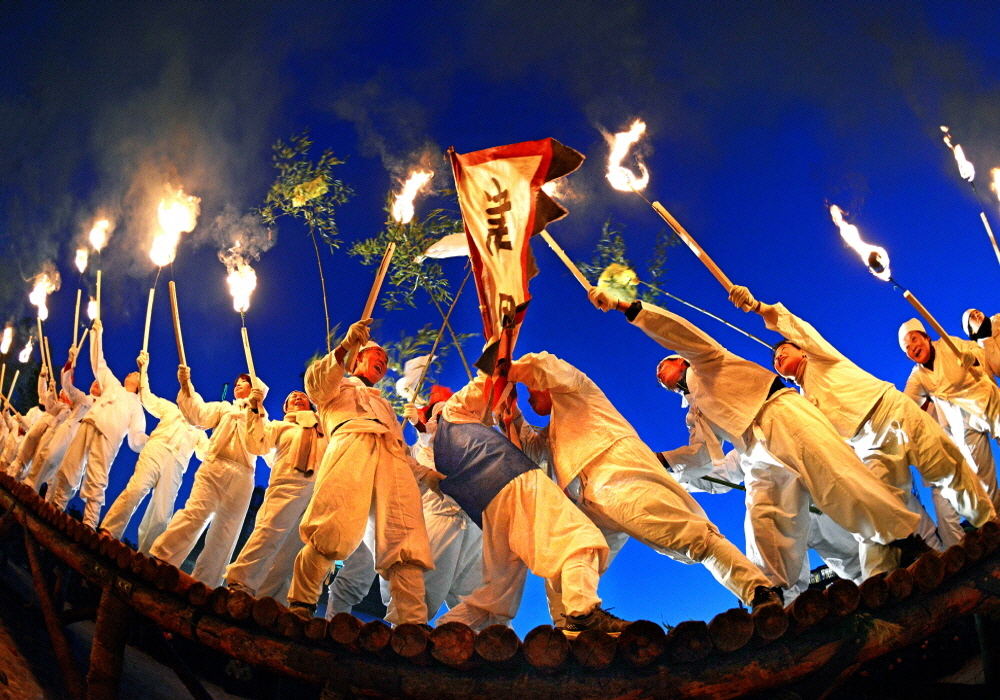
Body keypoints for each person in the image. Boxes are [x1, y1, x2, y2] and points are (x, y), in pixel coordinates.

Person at [588, 289, 925, 596]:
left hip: (778, 411)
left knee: (834, 475)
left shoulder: (708, 360)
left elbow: (679, 331)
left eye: (665, 363)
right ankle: (776, 594)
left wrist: (627, 307)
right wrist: (662, 462)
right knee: (764, 515)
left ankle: (900, 540)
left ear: (682, 360)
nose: (660, 372)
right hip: (754, 451)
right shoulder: (695, 414)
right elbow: (704, 456)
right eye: (658, 376)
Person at [507, 350, 781, 611]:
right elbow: (530, 448)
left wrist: (510, 370)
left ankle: (758, 591)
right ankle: (574, 625)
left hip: (619, 478)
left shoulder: (576, 389)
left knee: (687, 535)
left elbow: (544, 365)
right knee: (568, 556)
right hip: (587, 502)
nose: (528, 396)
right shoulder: (553, 432)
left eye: (530, 388)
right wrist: (510, 410)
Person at [727, 286, 994, 545]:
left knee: (947, 468)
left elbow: (796, 327)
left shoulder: (821, 356)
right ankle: (882, 575)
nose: (779, 355)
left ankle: (990, 525)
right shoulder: (802, 402)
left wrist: (758, 308)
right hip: (867, 447)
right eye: (775, 360)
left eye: (784, 349)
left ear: (803, 349)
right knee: (881, 510)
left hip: (892, 411)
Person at [433, 374, 633, 634]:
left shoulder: (442, 450)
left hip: (489, 509)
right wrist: (502, 337)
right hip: (512, 478)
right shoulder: (455, 410)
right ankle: (583, 614)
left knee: (497, 594)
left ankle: (445, 631)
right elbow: (490, 375)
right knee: (578, 537)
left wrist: (510, 410)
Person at [287, 320, 434, 624]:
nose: (383, 361)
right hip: (351, 444)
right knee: (332, 525)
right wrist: (344, 346)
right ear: (357, 358)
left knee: (404, 535)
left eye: (386, 360)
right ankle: (302, 604)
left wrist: (426, 474)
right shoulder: (337, 384)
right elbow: (316, 384)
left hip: (392, 460)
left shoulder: (385, 406)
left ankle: (410, 623)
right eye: (376, 356)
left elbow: (402, 448)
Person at [327, 390, 483, 622]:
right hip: (401, 518)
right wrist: (420, 430)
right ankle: (335, 623)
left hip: (465, 529)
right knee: (406, 592)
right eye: (440, 416)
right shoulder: (412, 448)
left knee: (473, 597)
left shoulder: (463, 449)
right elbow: (423, 455)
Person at [148, 368, 267, 588]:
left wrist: (256, 409)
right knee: (195, 513)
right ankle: (162, 557)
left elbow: (263, 445)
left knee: (226, 531)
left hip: (243, 476)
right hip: (215, 466)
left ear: (256, 388)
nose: (238, 384)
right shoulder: (223, 408)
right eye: (237, 382)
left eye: (245, 381)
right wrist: (186, 385)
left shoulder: (260, 416)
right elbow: (199, 415)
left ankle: (205, 584)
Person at [100, 351, 209, 553]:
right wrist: (144, 370)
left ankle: (146, 554)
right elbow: (147, 398)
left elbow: (206, 454)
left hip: (176, 465)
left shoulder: (199, 432)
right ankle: (109, 531)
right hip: (156, 450)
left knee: (162, 514)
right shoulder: (170, 409)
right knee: (135, 490)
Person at [225, 389, 325, 596]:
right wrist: (254, 410)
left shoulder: (324, 429)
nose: (297, 398)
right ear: (286, 408)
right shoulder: (280, 426)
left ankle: (269, 598)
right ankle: (239, 582)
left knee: (291, 552)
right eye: (292, 398)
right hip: (287, 482)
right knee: (268, 533)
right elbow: (257, 444)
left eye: (302, 397)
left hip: (317, 492)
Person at [48, 321, 147, 528]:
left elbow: (136, 437)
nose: (131, 373)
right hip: (89, 423)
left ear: (140, 386)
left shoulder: (137, 406)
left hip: (109, 437)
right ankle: (56, 506)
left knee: (97, 477)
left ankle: (89, 524)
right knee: (70, 466)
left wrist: (151, 441)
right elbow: (98, 362)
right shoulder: (112, 385)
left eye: (137, 375)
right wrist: (98, 333)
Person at [900, 318, 1000, 512]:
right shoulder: (918, 377)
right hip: (962, 423)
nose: (913, 347)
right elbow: (905, 404)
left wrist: (972, 356)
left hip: (986, 401)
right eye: (907, 348)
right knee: (983, 480)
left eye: (914, 339)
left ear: (927, 338)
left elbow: (977, 350)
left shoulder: (949, 343)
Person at [24, 350, 98, 493]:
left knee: (60, 475)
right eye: (94, 382)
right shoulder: (83, 399)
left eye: (99, 384)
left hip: (80, 442)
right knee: (48, 456)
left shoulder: (103, 408)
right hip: (66, 432)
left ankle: (47, 505)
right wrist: (70, 361)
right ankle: (30, 486)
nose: (96, 383)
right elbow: (66, 385)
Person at [8, 363, 67, 481]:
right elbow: (42, 393)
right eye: (60, 392)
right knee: (22, 457)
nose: (61, 393)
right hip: (35, 434)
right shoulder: (52, 404)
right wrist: (42, 376)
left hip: (48, 439)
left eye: (64, 393)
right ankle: (10, 477)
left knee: (34, 465)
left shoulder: (66, 412)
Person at [962, 309, 1000, 379]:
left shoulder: (997, 319)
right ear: (972, 331)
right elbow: (988, 381)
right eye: (972, 316)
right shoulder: (980, 353)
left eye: (977, 312)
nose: (976, 314)